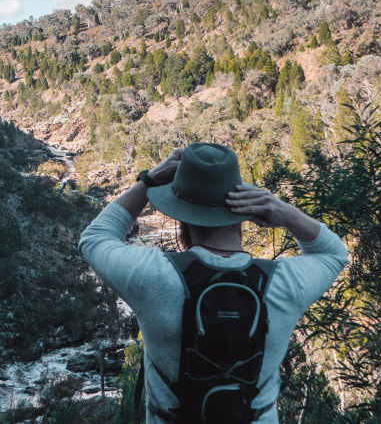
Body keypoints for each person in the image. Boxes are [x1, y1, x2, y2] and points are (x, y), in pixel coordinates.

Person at [79, 142, 349, 423]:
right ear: (243, 214)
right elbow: (334, 252)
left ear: (180, 217)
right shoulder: (286, 281)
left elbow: (95, 238)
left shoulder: (153, 274)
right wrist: (285, 213)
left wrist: (149, 181)